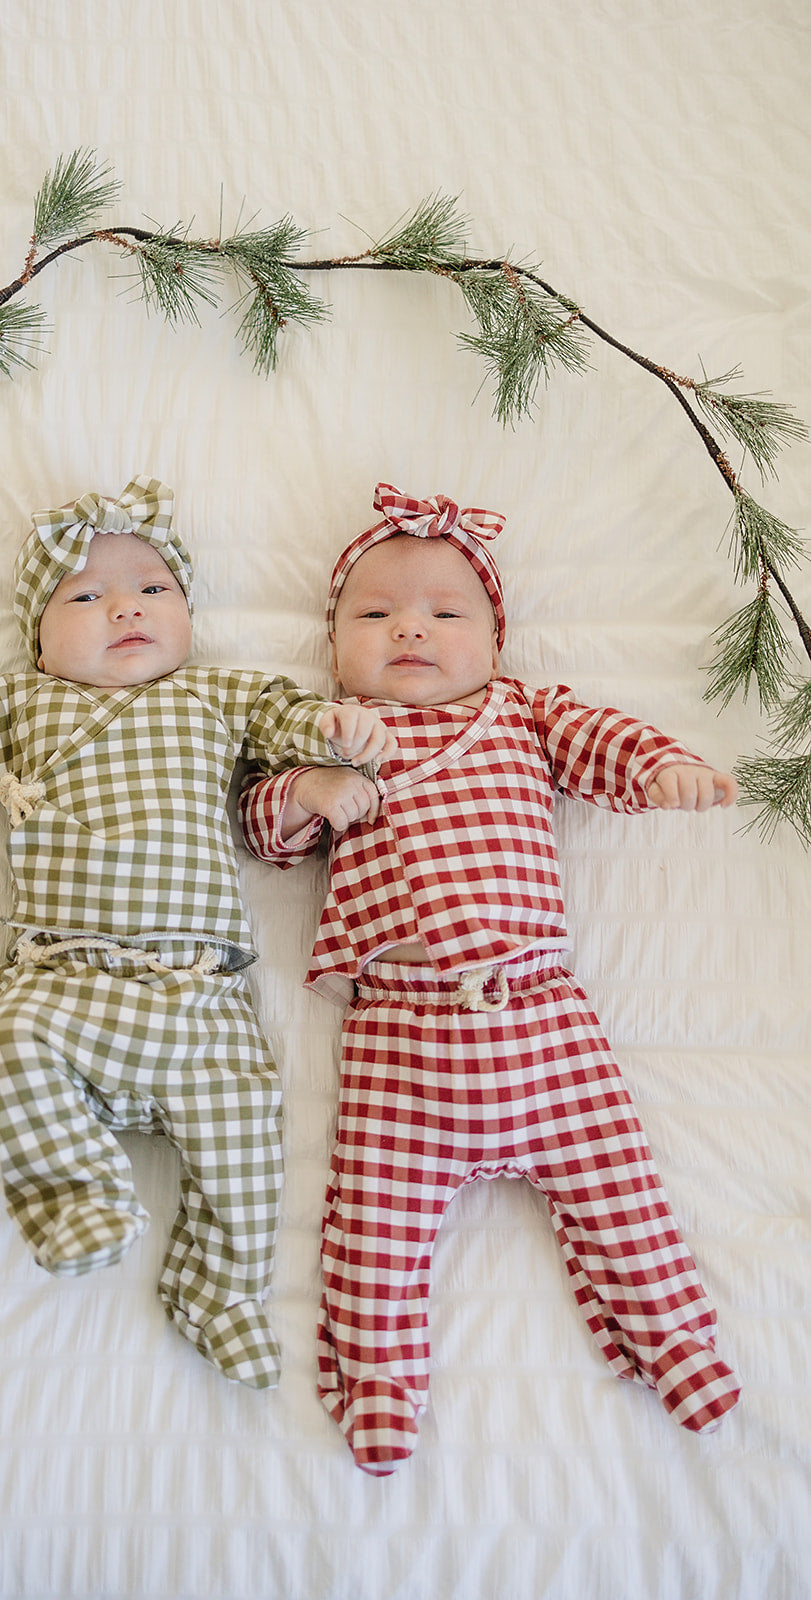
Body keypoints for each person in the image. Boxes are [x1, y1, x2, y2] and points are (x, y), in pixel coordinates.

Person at [0, 476, 392, 1391]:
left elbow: (287, 720)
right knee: (10, 1050)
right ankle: (74, 1192)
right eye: (85, 595)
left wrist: (336, 727)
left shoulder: (213, 695)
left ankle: (221, 1291)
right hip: (64, 980)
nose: (125, 606)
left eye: (154, 590)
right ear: (38, 636)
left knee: (246, 1132)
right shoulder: (21, 706)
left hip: (198, 994)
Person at [239, 482, 742, 1471]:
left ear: (495, 639)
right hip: (401, 1032)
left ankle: (671, 1336)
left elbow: (603, 741)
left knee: (620, 1195)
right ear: (333, 640)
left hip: (541, 1017)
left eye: (443, 612)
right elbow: (261, 826)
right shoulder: (333, 728)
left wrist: (659, 770)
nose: (409, 630)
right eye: (374, 614)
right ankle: (378, 1373)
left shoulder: (519, 713)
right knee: (371, 1221)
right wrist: (314, 788)